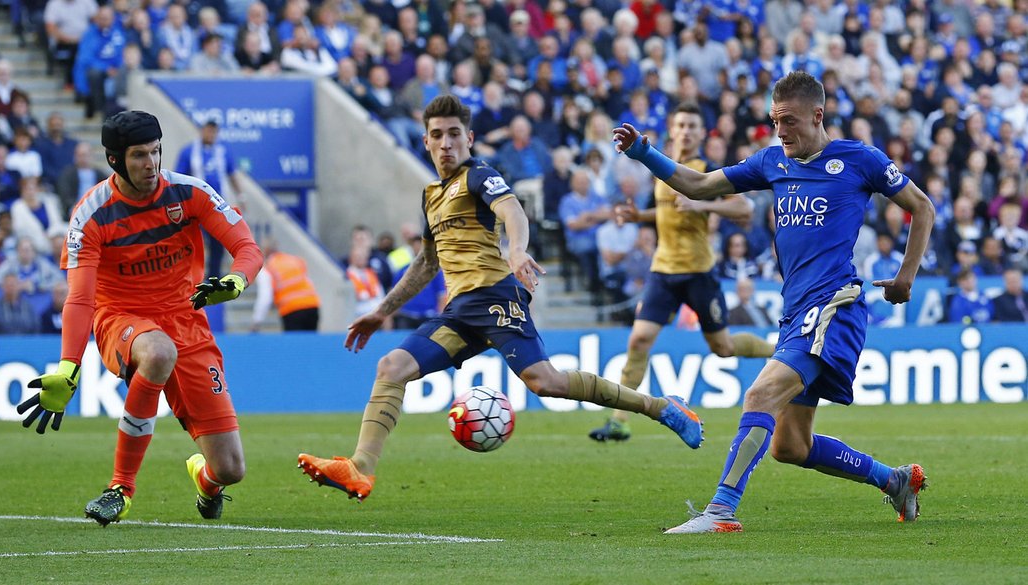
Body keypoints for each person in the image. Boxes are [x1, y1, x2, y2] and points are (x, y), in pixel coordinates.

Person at [297, 95, 704, 501]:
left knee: (546, 383)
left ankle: (662, 408)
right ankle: (361, 468)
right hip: (459, 312)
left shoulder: (479, 175)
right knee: (392, 366)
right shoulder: (431, 195)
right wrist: (379, 311)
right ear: (425, 142)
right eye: (437, 135)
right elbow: (426, 263)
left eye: (454, 134)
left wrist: (515, 249)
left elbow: (513, 212)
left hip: (495, 298)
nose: (446, 144)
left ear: (469, 138)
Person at [614, 71, 936, 532]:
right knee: (790, 447)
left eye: (788, 121)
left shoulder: (859, 159)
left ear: (817, 115)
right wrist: (644, 152)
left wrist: (906, 276)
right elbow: (699, 185)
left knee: (759, 395)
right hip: (795, 313)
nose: (780, 132)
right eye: (774, 121)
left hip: (833, 308)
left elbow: (921, 205)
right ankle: (895, 480)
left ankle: (721, 512)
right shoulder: (771, 162)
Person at [15, 111, 263, 527]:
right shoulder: (91, 214)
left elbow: (247, 247)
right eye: (139, 156)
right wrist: (68, 366)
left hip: (188, 323)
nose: (151, 163)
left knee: (231, 468)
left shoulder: (190, 193)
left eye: (155, 151)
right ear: (114, 161)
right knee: (158, 351)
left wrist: (236, 280)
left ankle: (205, 481)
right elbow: (79, 298)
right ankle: (121, 489)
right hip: (121, 318)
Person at [589, 103, 776, 442]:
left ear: (702, 133)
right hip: (663, 272)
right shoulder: (663, 171)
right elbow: (667, 213)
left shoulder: (707, 171)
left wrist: (702, 203)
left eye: (693, 125)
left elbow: (744, 207)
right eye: (681, 125)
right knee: (639, 340)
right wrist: (639, 218)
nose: (687, 131)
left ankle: (780, 355)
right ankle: (619, 421)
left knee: (723, 347)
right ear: (672, 131)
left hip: (699, 273)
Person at [174, 120, 244, 277]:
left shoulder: (223, 150)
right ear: (202, 131)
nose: (211, 135)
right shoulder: (189, 151)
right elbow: (179, 177)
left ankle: (213, 277)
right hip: (195, 207)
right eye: (208, 131)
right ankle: (192, 277)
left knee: (218, 243)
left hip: (217, 206)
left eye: (214, 132)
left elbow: (232, 174)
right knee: (194, 242)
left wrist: (241, 195)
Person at [250, 239, 320, 332]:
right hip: (312, 305)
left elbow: (265, 297)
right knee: (310, 343)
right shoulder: (294, 260)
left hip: (291, 310)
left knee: (294, 344)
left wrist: (257, 321)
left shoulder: (268, 268)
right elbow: (307, 281)